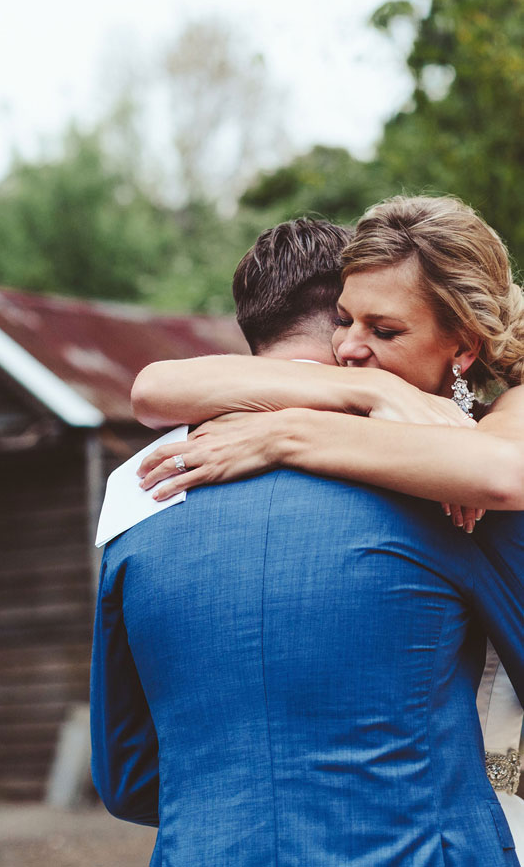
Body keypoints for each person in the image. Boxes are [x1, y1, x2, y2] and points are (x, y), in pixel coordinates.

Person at [91, 213, 524, 865]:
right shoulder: (453, 490)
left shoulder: (144, 496)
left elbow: (127, 779)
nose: (355, 347)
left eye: (382, 330)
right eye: (348, 322)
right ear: (332, 316)